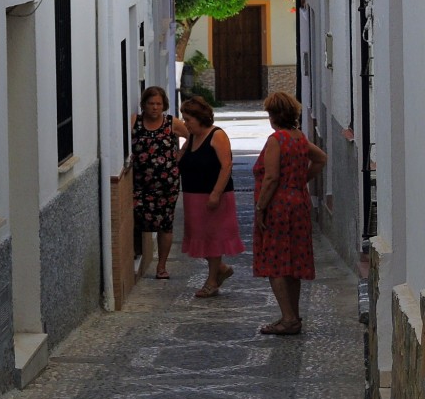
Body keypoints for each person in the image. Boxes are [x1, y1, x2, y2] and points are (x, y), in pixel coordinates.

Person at [253, 91, 328, 335]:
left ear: (273, 115)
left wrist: (260, 208)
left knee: (275, 262)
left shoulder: (276, 140)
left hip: (279, 206)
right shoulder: (298, 138)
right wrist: (299, 181)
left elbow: (272, 177)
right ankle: (293, 315)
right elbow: (321, 159)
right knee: (293, 261)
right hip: (299, 203)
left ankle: (287, 318)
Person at [177, 95, 245, 298]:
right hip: (192, 196)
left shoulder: (217, 135)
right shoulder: (191, 137)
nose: (185, 123)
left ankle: (212, 281)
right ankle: (221, 269)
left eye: (188, 119)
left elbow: (226, 166)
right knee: (200, 238)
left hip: (213, 197)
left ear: (200, 118)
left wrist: (216, 194)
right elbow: (179, 159)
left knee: (213, 239)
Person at [131, 87, 188, 279]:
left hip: (167, 185)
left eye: (158, 104)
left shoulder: (172, 123)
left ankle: (161, 266)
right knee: (136, 217)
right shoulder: (135, 122)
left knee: (165, 224)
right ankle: (135, 253)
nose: (155, 108)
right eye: (151, 103)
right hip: (140, 184)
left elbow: (193, 136)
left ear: (164, 106)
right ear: (144, 105)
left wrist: (179, 155)